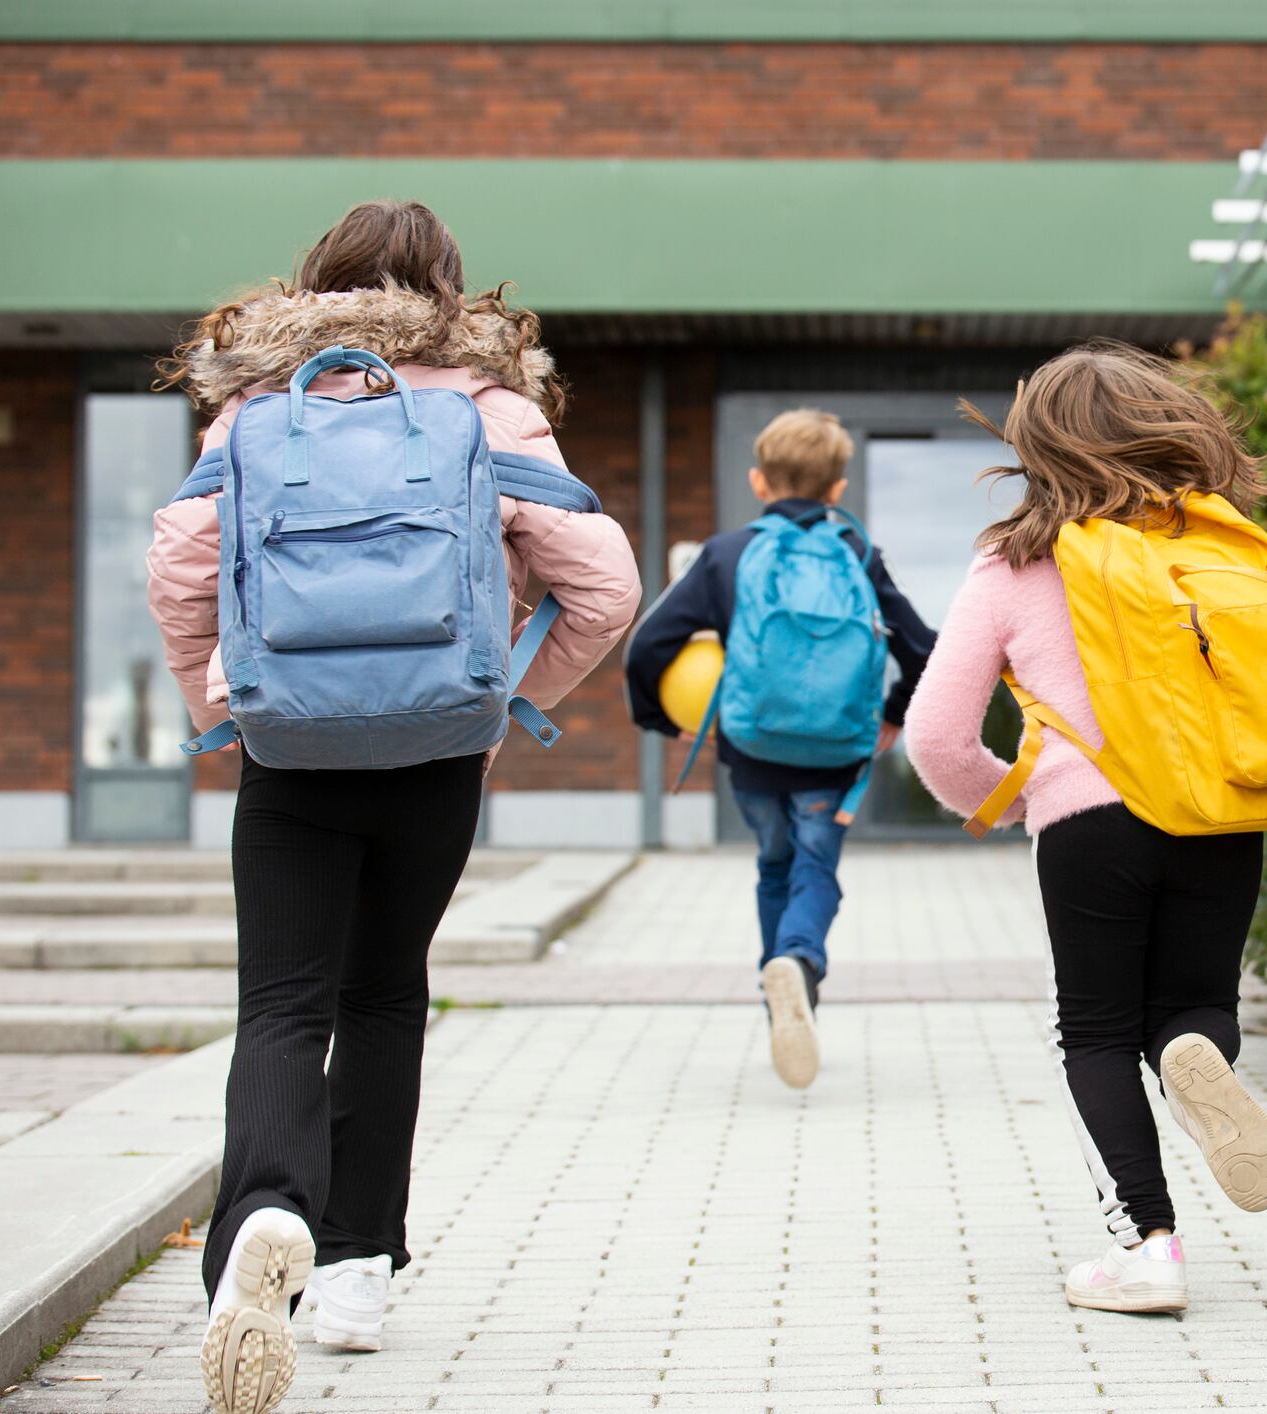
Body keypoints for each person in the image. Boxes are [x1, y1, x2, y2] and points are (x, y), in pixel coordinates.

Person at [150, 199, 640, 1413]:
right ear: (452, 293)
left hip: (291, 750)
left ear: (315, 284)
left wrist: (217, 702)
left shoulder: (260, 405)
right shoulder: (490, 407)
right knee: (383, 995)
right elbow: (606, 584)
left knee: (281, 1000)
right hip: (434, 753)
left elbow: (180, 565)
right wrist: (510, 701)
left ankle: (261, 1219)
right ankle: (359, 1268)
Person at [904, 344, 1267, 1314]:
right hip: (1222, 813)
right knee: (1196, 1005)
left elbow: (936, 733)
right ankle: (1198, 1058)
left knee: (1093, 1029)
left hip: (1090, 821)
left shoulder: (1015, 562)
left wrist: (1009, 800)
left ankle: (1148, 1246)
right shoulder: (1228, 549)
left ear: (1043, 448)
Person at [624, 409, 935, 1090]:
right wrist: (892, 716)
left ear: (758, 482)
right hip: (835, 752)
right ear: (837, 490)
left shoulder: (727, 555)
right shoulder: (856, 554)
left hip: (753, 750)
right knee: (814, 867)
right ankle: (798, 962)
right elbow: (924, 649)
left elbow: (648, 646)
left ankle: (780, 996)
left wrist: (658, 719)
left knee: (773, 865)